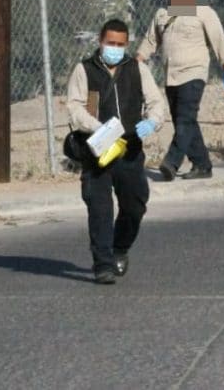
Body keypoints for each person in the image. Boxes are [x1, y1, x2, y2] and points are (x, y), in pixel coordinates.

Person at [66, 19, 166, 283]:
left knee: (135, 203)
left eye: (120, 44)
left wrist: (152, 121)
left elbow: (156, 102)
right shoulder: (84, 70)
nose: (115, 48)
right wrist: (99, 128)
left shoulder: (137, 69)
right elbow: (74, 108)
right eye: (110, 43)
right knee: (99, 207)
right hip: (96, 151)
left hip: (128, 149)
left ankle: (120, 248)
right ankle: (103, 264)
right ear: (100, 41)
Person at [136, 0, 224, 181]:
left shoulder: (203, 12)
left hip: (194, 73)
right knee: (185, 121)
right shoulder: (163, 13)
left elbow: (220, 42)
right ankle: (202, 165)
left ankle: (171, 163)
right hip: (171, 77)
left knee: (185, 120)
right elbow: (149, 42)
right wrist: (136, 64)